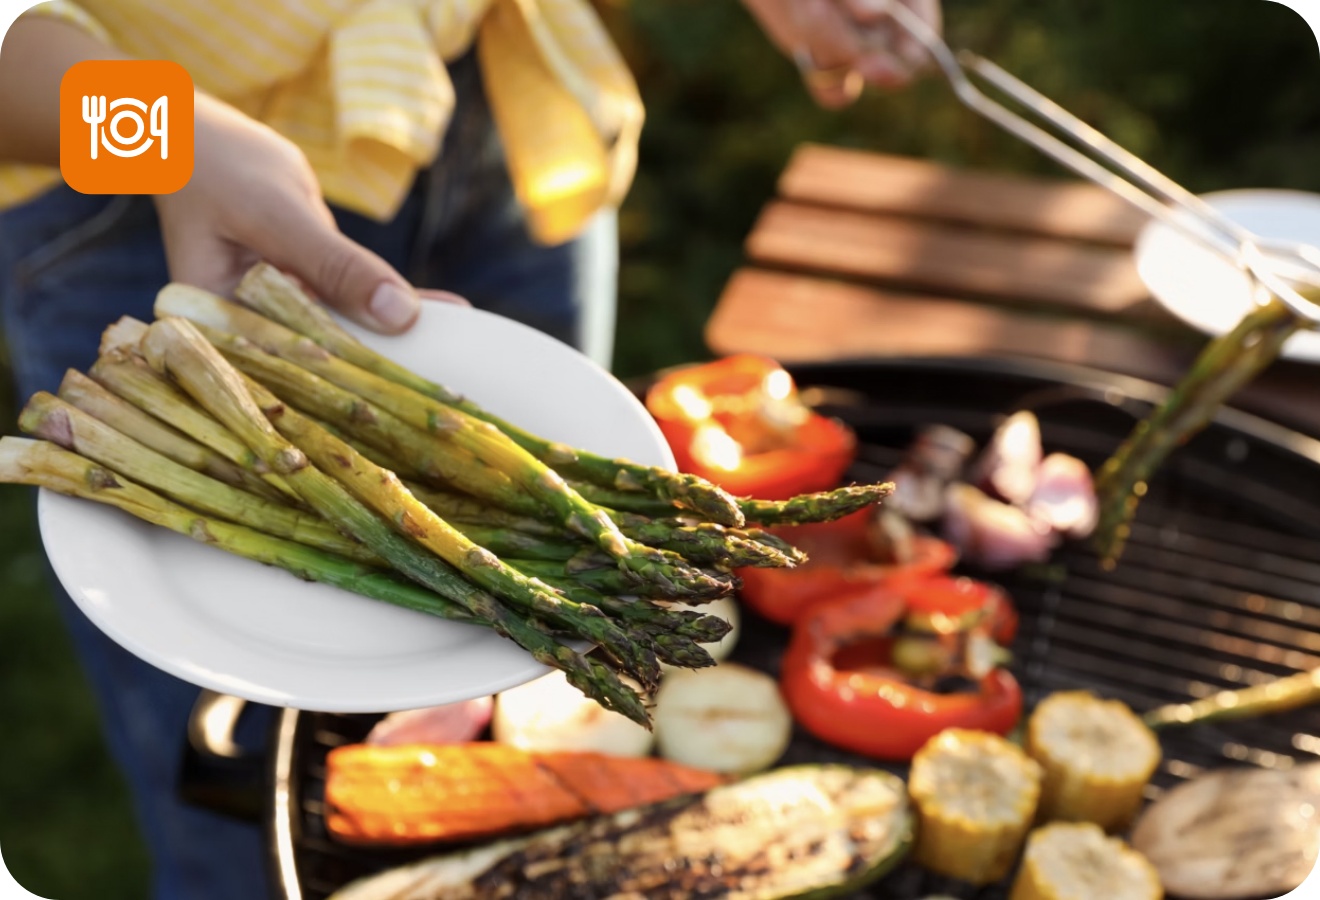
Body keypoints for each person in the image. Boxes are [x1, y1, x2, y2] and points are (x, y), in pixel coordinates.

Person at [0, 0, 940, 896]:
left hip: (491, 96)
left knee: (509, 618)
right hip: (109, 156)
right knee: (224, 796)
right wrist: (173, 140)